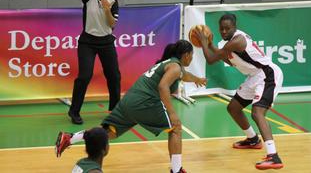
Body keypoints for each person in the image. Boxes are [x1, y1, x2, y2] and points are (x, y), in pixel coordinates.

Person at [55, 40, 207, 173]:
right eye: (191, 55)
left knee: (109, 133)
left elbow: (184, 76)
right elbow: (163, 87)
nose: (191, 58)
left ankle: (70, 138)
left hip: (129, 100)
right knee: (176, 128)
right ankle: (176, 170)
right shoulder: (176, 67)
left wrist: (197, 79)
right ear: (186, 55)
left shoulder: (169, 64)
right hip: (145, 102)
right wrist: (173, 114)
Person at [195, 13, 284, 170]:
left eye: (227, 28)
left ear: (234, 27)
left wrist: (203, 42)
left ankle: (274, 156)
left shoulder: (237, 40)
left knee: (257, 113)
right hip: (254, 76)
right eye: (221, 29)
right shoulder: (230, 43)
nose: (223, 32)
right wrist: (209, 44)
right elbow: (225, 58)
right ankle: (252, 140)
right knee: (233, 108)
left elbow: (211, 59)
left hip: (267, 75)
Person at [68, 0, 121, 124]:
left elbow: (112, 24)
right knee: (84, 76)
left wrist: (106, 10)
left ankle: (115, 110)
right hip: (88, 42)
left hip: (106, 42)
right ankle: (74, 111)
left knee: (114, 75)